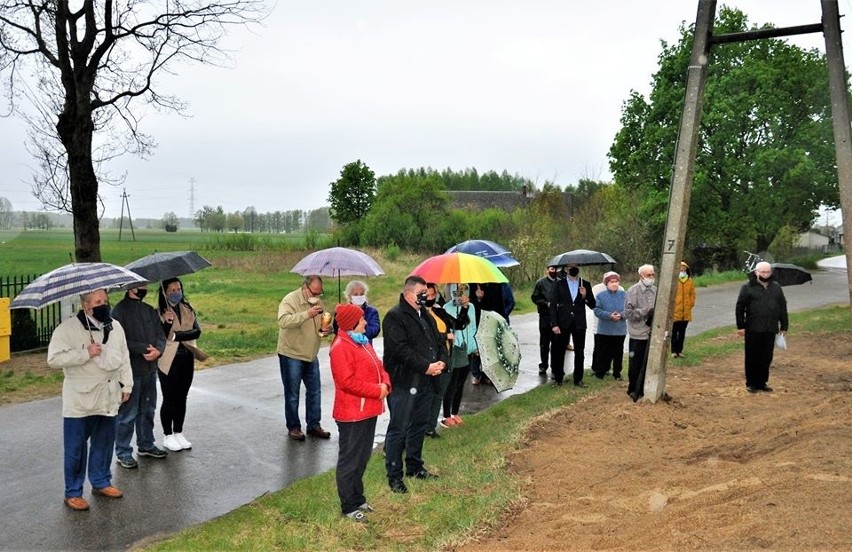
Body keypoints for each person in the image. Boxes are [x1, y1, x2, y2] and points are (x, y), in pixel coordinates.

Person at [47, 289, 133, 511]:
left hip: (108, 396)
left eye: (105, 300)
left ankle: (101, 481)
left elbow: (124, 357)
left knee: (104, 443)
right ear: (86, 305)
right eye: (98, 301)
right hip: (80, 400)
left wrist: (127, 384)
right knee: (75, 448)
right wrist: (85, 353)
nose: (104, 304)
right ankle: (73, 492)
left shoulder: (115, 326)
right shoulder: (67, 329)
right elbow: (54, 359)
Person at [382, 275, 448, 494]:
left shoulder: (425, 315)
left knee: (419, 425)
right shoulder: (395, 317)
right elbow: (400, 351)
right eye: (422, 293)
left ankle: (414, 466)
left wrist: (441, 363)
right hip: (404, 382)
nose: (426, 296)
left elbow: (438, 340)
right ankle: (394, 476)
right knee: (399, 429)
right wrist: (426, 366)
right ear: (410, 294)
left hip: (426, 382)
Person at [329, 303, 391, 524]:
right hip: (352, 414)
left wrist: (385, 383)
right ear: (351, 324)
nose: (366, 322)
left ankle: (358, 498)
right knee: (350, 460)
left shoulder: (362, 342)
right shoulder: (340, 347)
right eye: (362, 319)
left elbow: (379, 367)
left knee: (362, 457)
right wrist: (377, 390)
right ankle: (348, 506)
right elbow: (346, 382)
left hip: (368, 410)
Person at [111, 285, 168, 469]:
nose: (144, 288)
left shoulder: (149, 310)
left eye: (145, 285)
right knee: (128, 414)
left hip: (150, 369)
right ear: (130, 287)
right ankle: (123, 452)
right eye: (140, 285)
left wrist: (158, 350)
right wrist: (143, 349)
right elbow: (119, 341)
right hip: (131, 370)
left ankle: (146, 444)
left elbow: (160, 334)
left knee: (148, 409)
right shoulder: (119, 311)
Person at [277, 275, 333, 441]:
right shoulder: (290, 300)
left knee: (315, 391)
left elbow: (319, 327)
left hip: (311, 354)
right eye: (314, 292)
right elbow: (283, 321)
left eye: (319, 293)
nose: (316, 296)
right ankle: (294, 427)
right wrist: (306, 314)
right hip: (291, 353)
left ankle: (314, 425)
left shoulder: (318, 303)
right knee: (293, 393)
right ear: (305, 287)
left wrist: (325, 330)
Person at [157, 277, 203, 452]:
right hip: (169, 360)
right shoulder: (160, 312)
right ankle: (168, 435)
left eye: (178, 289)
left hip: (186, 357)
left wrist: (176, 336)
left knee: (182, 397)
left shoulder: (187, 308)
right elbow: (161, 336)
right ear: (165, 292)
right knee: (169, 398)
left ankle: (178, 432)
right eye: (172, 290)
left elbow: (197, 331)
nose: (176, 292)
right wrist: (168, 324)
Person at [735, 261, 788, 393]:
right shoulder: (747, 287)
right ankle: (752, 383)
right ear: (756, 272)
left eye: (768, 272)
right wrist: (740, 326)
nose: (765, 274)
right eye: (762, 272)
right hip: (753, 328)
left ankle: (762, 382)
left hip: (770, 328)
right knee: (752, 356)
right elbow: (740, 307)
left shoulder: (776, 287)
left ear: (771, 272)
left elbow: (782, 306)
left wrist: (784, 325)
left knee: (766, 357)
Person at [549, 264, 596, 387]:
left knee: (579, 352)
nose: (573, 268)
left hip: (579, 323)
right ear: (566, 268)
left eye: (575, 265)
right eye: (570, 266)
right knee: (560, 351)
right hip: (563, 322)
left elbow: (592, 304)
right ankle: (558, 378)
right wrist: (554, 324)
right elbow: (553, 305)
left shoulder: (585, 284)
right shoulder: (558, 284)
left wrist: (585, 296)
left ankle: (578, 379)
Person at [441, 283, 478, 428]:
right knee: (452, 383)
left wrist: (474, 346)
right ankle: (446, 415)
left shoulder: (472, 307)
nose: (461, 294)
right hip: (455, 349)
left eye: (464, 291)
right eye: (458, 291)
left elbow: (473, 326)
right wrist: (461, 309)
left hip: (467, 349)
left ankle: (455, 412)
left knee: (462, 382)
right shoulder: (447, 308)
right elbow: (454, 326)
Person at [424, 283, 455, 438]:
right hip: (432, 360)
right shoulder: (420, 315)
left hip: (446, 356)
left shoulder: (439, 311)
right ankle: (423, 426)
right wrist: (445, 337)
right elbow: (428, 336)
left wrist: (462, 307)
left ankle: (431, 427)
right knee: (429, 394)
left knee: (439, 393)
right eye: (427, 295)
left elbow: (457, 324)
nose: (430, 298)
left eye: (432, 295)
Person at [624, 264, 657, 402]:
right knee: (636, 364)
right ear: (641, 276)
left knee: (649, 363)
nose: (651, 277)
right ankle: (633, 390)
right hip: (638, 333)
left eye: (653, 274)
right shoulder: (633, 291)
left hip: (652, 332)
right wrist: (645, 311)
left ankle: (645, 389)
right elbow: (627, 313)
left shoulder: (655, 290)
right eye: (648, 275)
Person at [592, 272, 627, 380]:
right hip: (604, 329)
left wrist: (621, 315)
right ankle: (600, 372)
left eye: (616, 282)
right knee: (603, 352)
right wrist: (609, 315)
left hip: (619, 329)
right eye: (612, 282)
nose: (614, 284)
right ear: (607, 283)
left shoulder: (624, 295)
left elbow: (629, 309)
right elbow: (597, 310)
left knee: (618, 352)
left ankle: (617, 373)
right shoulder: (600, 295)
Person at [531, 265, 559, 376]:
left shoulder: (561, 282)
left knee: (556, 343)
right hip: (545, 316)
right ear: (547, 270)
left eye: (556, 269)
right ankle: (543, 365)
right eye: (552, 269)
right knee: (544, 343)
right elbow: (535, 297)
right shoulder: (540, 283)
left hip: (557, 317)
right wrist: (546, 304)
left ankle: (555, 366)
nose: (554, 271)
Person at [671, 261, 696, 358]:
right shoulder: (674, 281)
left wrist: (690, 304)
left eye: (684, 269)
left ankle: (680, 350)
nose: (682, 271)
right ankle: (673, 351)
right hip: (675, 311)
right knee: (674, 332)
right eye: (680, 269)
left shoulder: (690, 281)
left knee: (682, 333)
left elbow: (692, 294)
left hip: (686, 312)